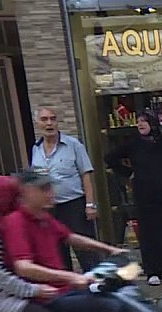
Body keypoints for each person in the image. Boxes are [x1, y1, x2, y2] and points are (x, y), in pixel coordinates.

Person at [2, 169, 126, 312]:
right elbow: (23, 267)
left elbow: (71, 237)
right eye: (44, 189)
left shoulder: (44, 218)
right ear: (26, 191)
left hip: (64, 291)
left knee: (112, 295)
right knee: (109, 308)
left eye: (50, 187)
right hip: (46, 297)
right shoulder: (16, 222)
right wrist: (70, 277)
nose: (51, 193)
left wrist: (110, 249)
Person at [0, 175, 79, 312]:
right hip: (0, 300)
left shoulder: (12, 222)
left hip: (11, 291)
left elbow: (67, 236)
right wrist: (32, 290)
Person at [105, 110, 162, 285]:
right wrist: (129, 173)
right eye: (139, 122)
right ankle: (153, 271)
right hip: (145, 197)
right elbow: (110, 157)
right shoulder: (133, 143)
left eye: (144, 121)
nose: (141, 124)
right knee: (149, 234)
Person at [31, 106, 102, 271]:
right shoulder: (36, 149)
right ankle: (70, 290)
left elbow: (86, 175)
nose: (49, 123)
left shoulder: (73, 145)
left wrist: (90, 205)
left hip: (74, 206)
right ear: (37, 123)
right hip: (50, 209)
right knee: (58, 252)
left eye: (53, 119)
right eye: (44, 119)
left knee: (86, 251)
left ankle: (98, 288)